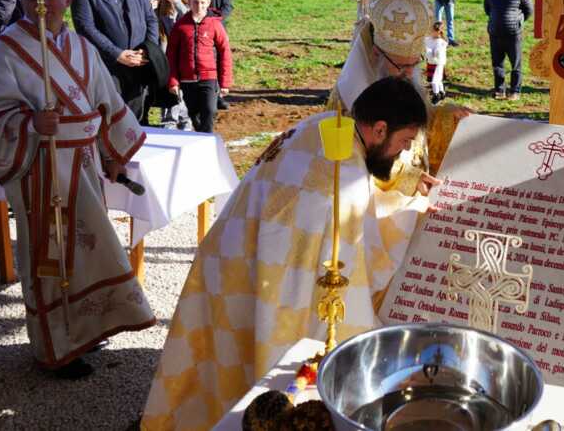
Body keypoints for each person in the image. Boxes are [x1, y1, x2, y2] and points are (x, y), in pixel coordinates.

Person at [141, 77, 431, 430]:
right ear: (380, 129)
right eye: (404, 142)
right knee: (263, 367)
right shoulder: (343, 177)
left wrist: (405, 180)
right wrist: (414, 211)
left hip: (230, 257)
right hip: (263, 276)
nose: (404, 152)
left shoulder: (327, 126)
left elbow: (363, 187)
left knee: (220, 361)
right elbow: (362, 258)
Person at [0, 0, 154, 379]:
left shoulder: (81, 46)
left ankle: (89, 330)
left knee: (93, 251)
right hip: (42, 172)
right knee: (52, 259)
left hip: (85, 164)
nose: (42, 6)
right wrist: (29, 124)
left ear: (67, 0)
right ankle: (55, 346)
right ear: (21, 1)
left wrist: (114, 152)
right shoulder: (1, 53)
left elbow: (107, 100)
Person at [326, 0, 466, 198]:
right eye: (401, 65)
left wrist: (447, 117)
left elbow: (417, 126)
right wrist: (406, 178)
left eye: (414, 64)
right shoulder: (347, 100)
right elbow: (347, 162)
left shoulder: (406, 78)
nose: (408, 73)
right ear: (376, 53)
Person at [71, 0, 159, 120]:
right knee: (112, 119)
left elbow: (151, 19)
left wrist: (147, 50)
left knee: (137, 120)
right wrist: (117, 54)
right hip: (107, 68)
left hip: (139, 63)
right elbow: (85, 28)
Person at [165, 0, 233, 133]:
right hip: (187, 79)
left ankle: (206, 139)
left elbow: (225, 52)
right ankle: (202, 136)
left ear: (208, 2)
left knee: (209, 110)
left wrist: (225, 82)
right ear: (189, 2)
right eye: (195, 2)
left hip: (209, 77)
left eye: (202, 2)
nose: (199, 6)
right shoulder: (180, 25)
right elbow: (171, 55)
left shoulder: (215, 24)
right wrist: (173, 81)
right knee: (194, 114)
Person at [483, 0, 533, 100]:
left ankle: (515, 91)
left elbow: (528, 11)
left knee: (515, 64)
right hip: (495, 34)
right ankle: (500, 90)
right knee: (497, 64)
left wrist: (517, 22)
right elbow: (487, 9)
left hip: (513, 35)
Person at [155, 0, 190, 130]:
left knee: (183, 89)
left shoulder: (186, 9)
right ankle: (169, 119)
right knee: (171, 88)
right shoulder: (160, 14)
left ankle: (185, 119)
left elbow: (190, 18)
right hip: (167, 58)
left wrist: (177, 3)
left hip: (185, 57)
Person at [425, 20, 448, 104]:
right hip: (431, 63)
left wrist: (429, 51)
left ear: (439, 32)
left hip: (438, 64)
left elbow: (436, 54)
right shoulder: (428, 39)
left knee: (434, 81)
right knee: (438, 80)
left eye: (433, 31)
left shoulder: (441, 43)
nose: (431, 33)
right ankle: (442, 93)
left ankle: (436, 95)